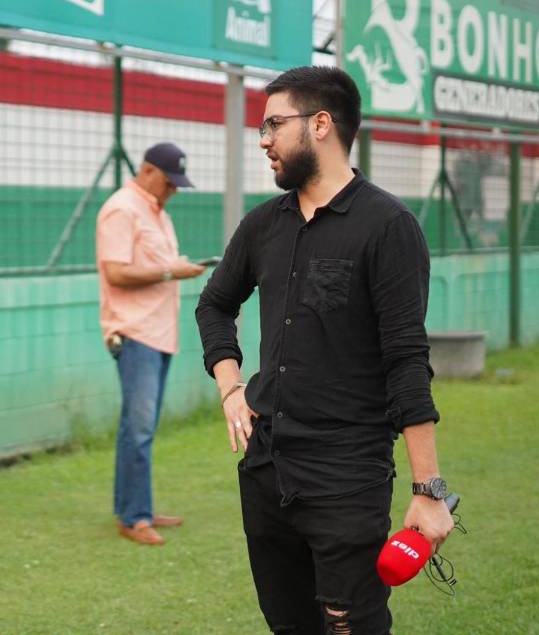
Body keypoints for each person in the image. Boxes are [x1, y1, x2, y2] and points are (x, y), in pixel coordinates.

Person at [195, 66, 454, 634]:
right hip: (266, 471)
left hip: (346, 475)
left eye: (272, 125)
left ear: (320, 124)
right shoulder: (262, 225)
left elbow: (407, 358)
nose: (262, 140)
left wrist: (428, 491)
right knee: (289, 625)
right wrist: (231, 387)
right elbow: (214, 305)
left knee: (348, 625)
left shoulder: (388, 226)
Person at [96, 142, 206, 545]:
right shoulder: (122, 209)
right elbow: (117, 272)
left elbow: (156, 267)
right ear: (146, 171)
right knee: (138, 430)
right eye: (169, 181)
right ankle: (133, 517)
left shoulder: (156, 212)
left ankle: (138, 507)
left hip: (158, 333)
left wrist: (173, 270)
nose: (173, 189)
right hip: (134, 332)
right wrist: (169, 272)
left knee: (141, 428)